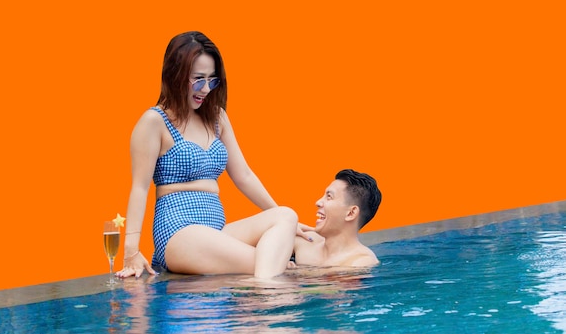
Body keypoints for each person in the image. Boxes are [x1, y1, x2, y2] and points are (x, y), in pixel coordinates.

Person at [115, 31, 303, 280]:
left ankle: (263, 310)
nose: (206, 89)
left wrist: (290, 228)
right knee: (270, 261)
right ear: (176, 75)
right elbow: (139, 188)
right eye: (198, 79)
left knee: (286, 215)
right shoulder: (154, 121)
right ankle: (274, 309)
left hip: (217, 232)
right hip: (179, 232)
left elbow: (244, 175)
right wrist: (131, 251)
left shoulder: (217, 118)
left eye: (212, 80)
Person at [293, 169, 382, 268]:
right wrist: (288, 226)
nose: (318, 202)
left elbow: (330, 282)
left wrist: (289, 273)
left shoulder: (361, 261)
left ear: (351, 213)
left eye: (329, 197)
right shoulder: (306, 241)